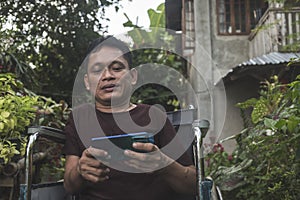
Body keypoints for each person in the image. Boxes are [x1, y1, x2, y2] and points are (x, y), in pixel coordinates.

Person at [63, 36, 197, 200]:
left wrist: (163, 165)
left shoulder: (153, 115)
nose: (107, 76)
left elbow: (192, 185)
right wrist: (80, 170)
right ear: (87, 82)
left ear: (133, 76)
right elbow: (69, 186)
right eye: (97, 70)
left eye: (117, 68)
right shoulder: (79, 118)